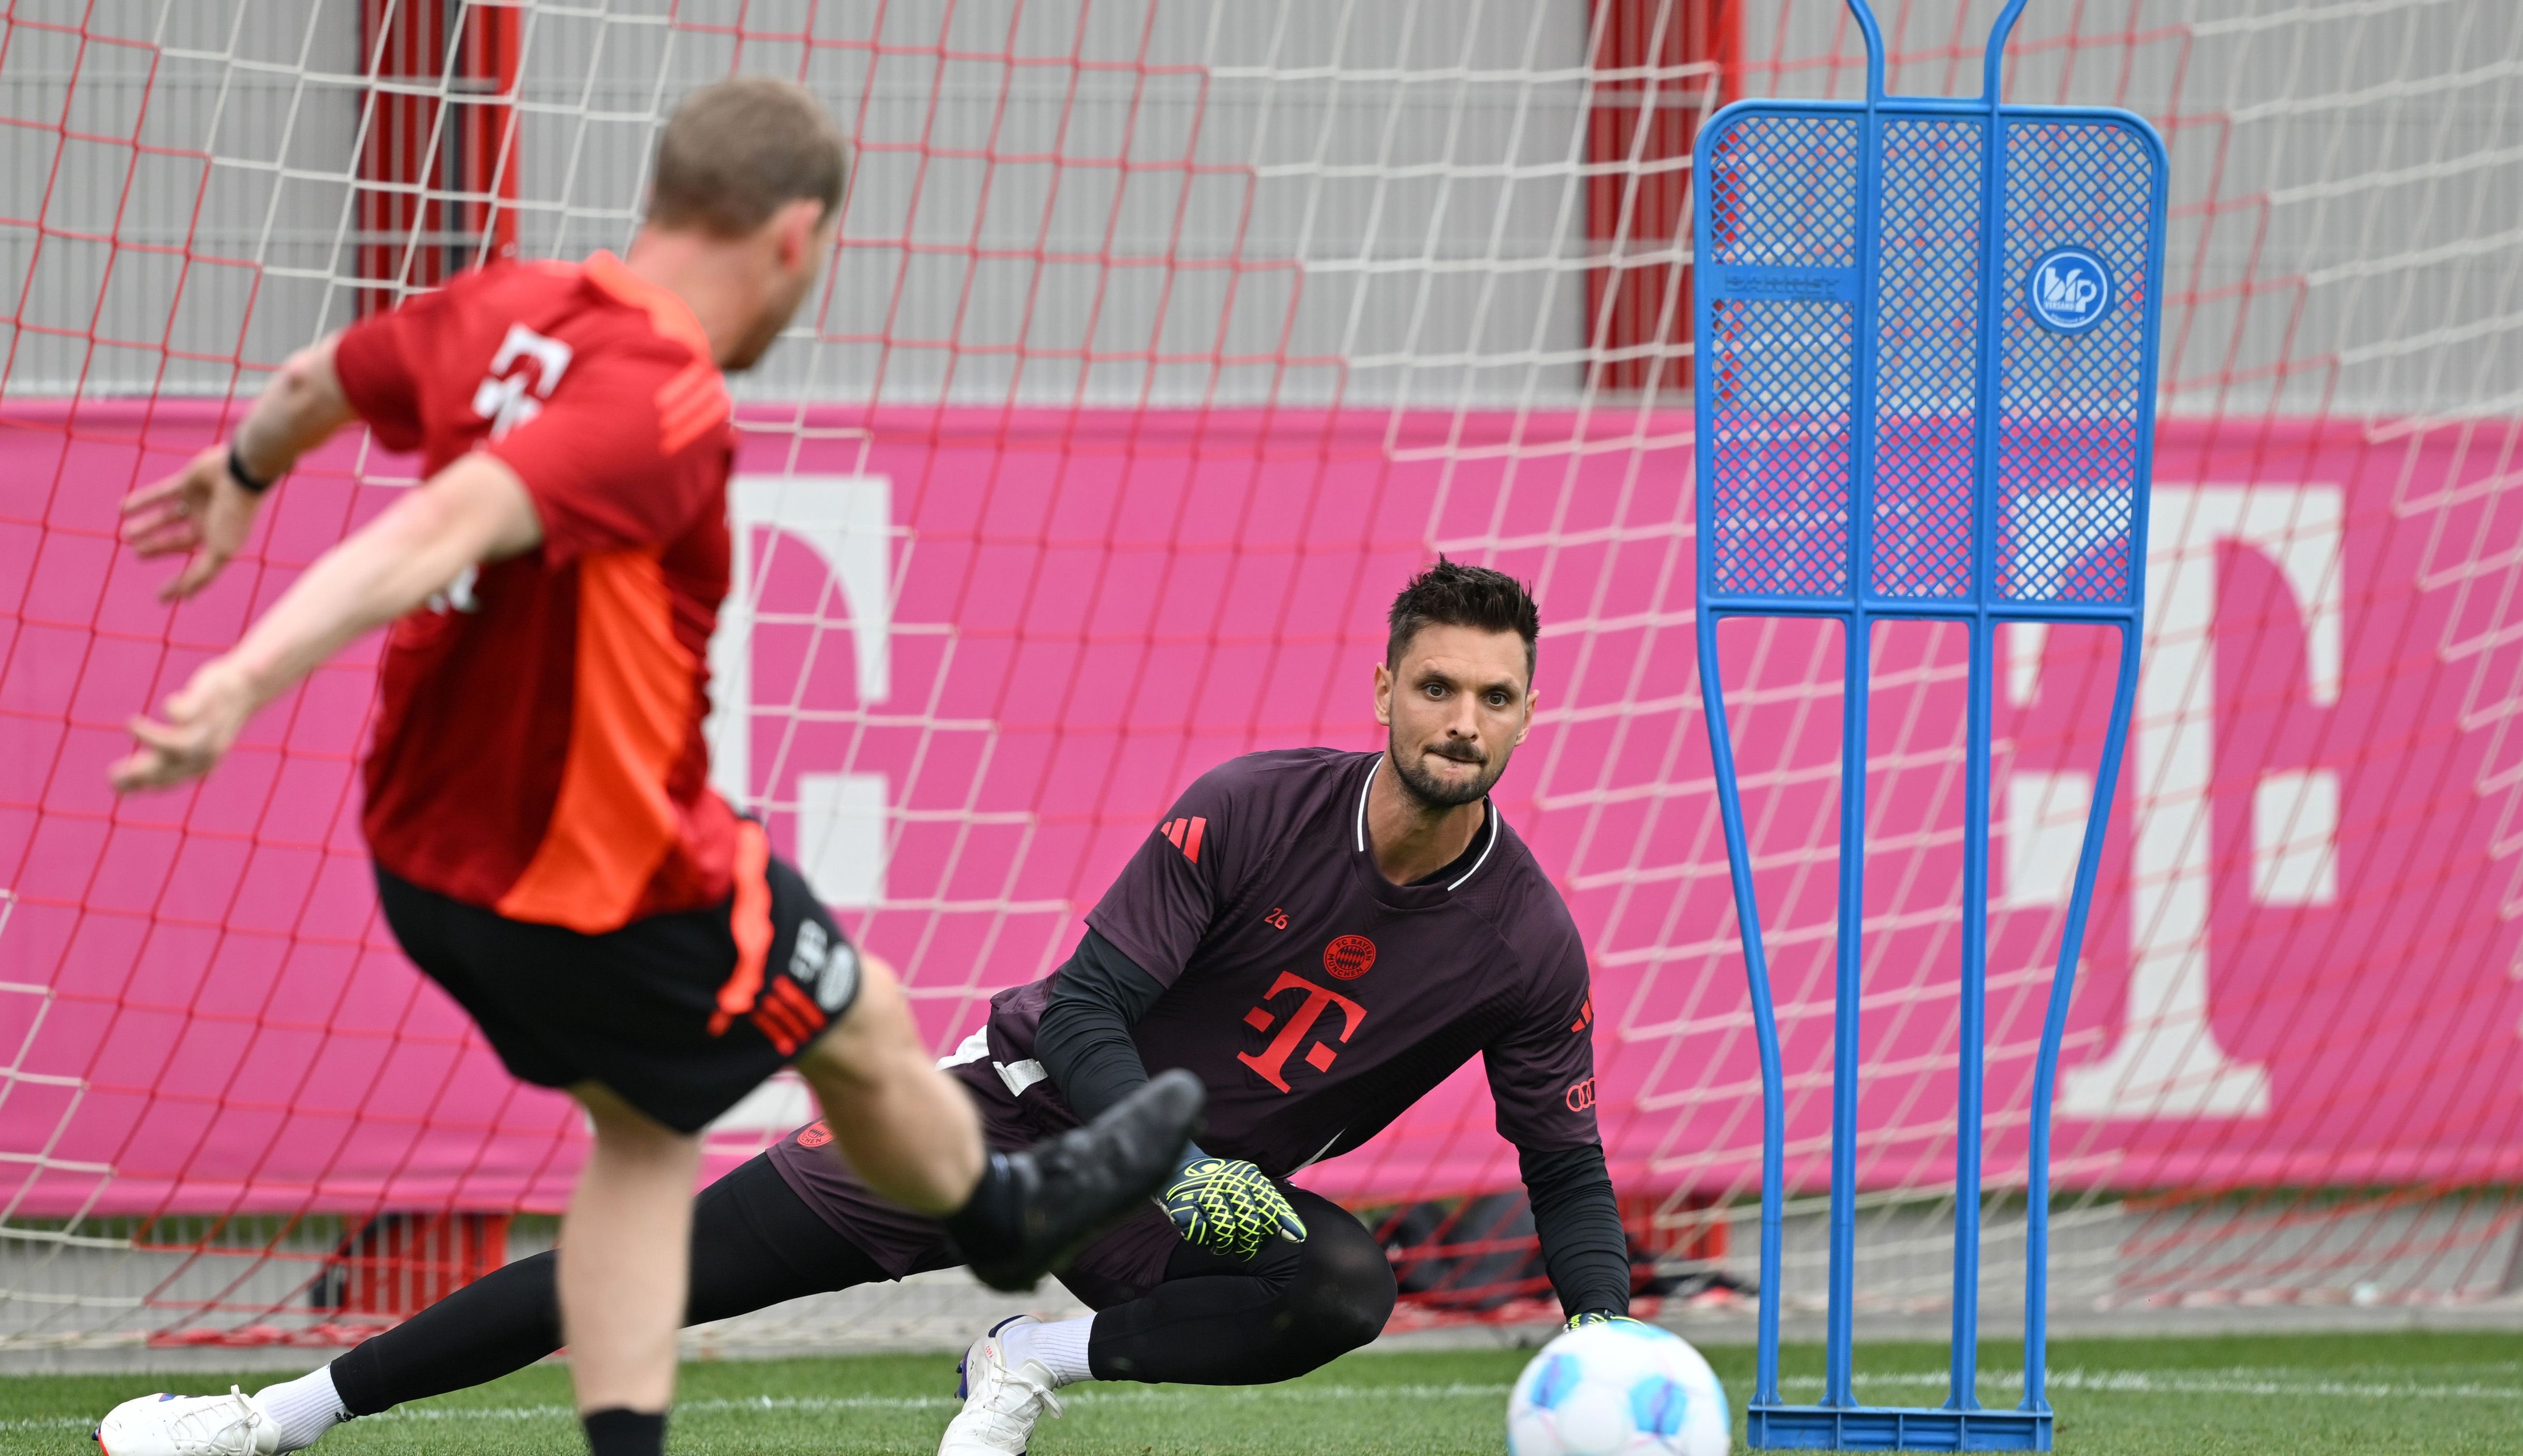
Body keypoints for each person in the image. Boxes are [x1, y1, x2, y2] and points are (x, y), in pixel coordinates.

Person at [91, 76, 1201, 1456]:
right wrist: (239, 682)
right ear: (793, 236)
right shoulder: (665, 398)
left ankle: (950, 1244)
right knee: (851, 1027)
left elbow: (327, 380)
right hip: (610, 874)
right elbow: (448, 520)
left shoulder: (503, 305)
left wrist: (246, 471)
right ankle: (1006, 1220)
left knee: (665, 1125)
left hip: (428, 863)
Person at [114, 560, 1635, 1456]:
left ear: (1527, 715)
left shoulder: (1525, 942)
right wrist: (1174, 1159)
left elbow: (1563, 1164)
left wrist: (1607, 1343)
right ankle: (270, 1421)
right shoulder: (1249, 809)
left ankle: (1028, 1361)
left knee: (1343, 1288)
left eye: (1495, 699)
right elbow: (1093, 1013)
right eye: (1438, 688)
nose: (1463, 723)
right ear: (1382, 691)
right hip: (990, 1120)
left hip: (1172, 1215)